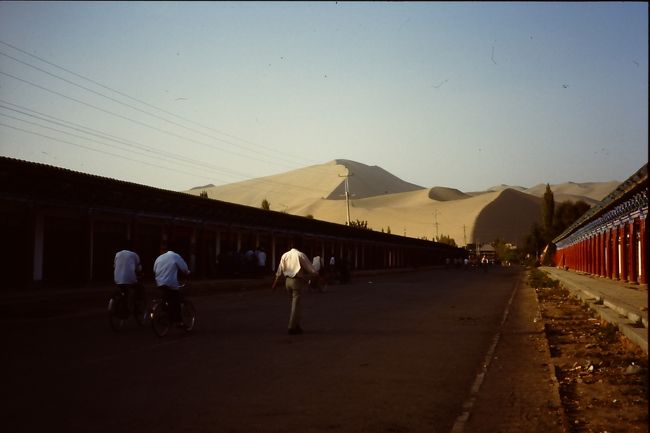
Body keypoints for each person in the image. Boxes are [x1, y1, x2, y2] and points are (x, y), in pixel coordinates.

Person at [271, 240, 318, 335]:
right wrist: (316, 275)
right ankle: (292, 327)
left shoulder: (285, 255)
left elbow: (279, 271)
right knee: (295, 305)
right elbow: (311, 269)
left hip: (287, 282)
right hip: (296, 282)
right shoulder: (300, 255)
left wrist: (274, 284)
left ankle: (297, 325)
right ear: (301, 246)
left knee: (294, 305)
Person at [153, 243, 190, 326]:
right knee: (176, 299)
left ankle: (166, 313)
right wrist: (187, 273)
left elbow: (154, 270)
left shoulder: (159, 257)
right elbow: (184, 268)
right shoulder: (175, 256)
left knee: (166, 298)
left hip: (159, 282)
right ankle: (179, 322)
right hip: (170, 283)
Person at [113, 241, 143, 311]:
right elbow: (138, 268)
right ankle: (135, 306)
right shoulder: (134, 255)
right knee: (138, 288)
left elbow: (114, 266)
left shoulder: (117, 254)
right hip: (129, 279)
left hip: (117, 279)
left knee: (123, 289)